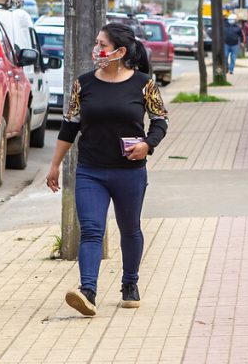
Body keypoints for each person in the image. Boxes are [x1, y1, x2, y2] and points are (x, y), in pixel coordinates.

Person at [46, 23, 169, 316]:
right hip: (91, 170)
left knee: (130, 228)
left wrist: (148, 145)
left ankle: (130, 283)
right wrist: (54, 165)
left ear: (120, 51)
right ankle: (87, 291)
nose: (96, 49)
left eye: (102, 44)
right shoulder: (83, 84)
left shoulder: (143, 83)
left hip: (130, 171)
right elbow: (70, 125)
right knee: (91, 230)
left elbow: (160, 120)